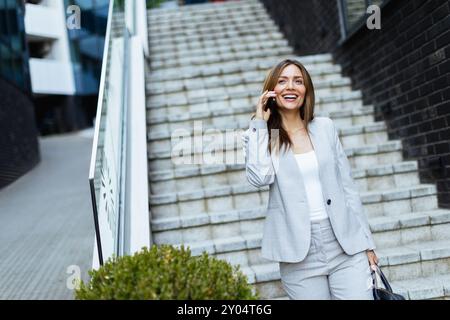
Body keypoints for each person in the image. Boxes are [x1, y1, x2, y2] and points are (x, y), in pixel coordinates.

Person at [242, 59, 379, 300]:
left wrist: (366, 243)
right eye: (282, 81)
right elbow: (259, 178)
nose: (290, 87)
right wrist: (259, 123)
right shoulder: (264, 136)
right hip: (298, 253)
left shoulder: (325, 127)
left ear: (307, 90)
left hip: (344, 243)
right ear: (271, 91)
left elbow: (347, 187)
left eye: (298, 81)